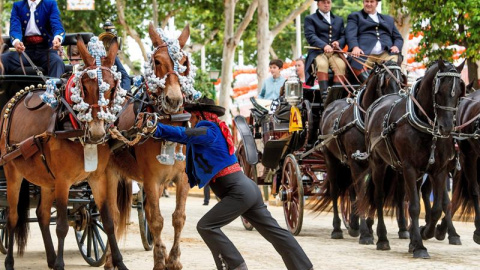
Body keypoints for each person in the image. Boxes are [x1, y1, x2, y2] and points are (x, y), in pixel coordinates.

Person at [136, 97, 313, 270]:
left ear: (201, 116)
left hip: (238, 192)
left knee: (206, 226)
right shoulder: (215, 129)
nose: (190, 120)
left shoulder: (208, 129)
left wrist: (155, 128)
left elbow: (183, 135)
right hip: (246, 190)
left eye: (193, 116)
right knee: (277, 234)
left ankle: (235, 265)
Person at [1, 0, 65, 78]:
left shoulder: (50, 4)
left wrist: (57, 38)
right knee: (1, 60)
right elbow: (15, 28)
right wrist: (17, 41)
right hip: (25, 50)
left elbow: (57, 25)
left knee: (57, 62)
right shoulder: (17, 6)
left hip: (46, 50)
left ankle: (55, 90)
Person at [346, 0, 403, 82]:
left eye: (371, 1)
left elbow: (398, 38)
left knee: (394, 64)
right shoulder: (355, 16)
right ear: (363, 2)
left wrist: (396, 46)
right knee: (354, 60)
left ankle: (394, 91)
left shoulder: (388, 19)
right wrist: (355, 47)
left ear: (376, 3)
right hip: (364, 55)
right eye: (366, 1)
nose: (369, 4)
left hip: (386, 54)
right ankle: (368, 84)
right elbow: (350, 34)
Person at [304, 0, 346, 105]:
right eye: (324, 2)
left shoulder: (338, 20)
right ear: (318, 4)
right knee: (322, 64)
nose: (326, 4)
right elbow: (310, 36)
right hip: (318, 52)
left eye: (328, 2)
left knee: (341, 65)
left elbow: (343, 36)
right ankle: (325, 95)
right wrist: (324, 45)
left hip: (334, 53)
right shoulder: (310, 19)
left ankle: (336, 95)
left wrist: (338, 42)